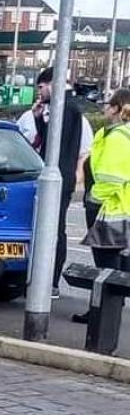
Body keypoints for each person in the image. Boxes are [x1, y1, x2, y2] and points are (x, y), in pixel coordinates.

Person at [32, 66, 93, 298]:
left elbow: (53, 145)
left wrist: (41, 121)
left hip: (59, 176)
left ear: (52, 84)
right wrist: (40, 120)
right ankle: (48, 281)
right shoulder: (70, 107)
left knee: (53, 231)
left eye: (41, 87)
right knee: (54, 229)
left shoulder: (64, 108)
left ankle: (52, 282)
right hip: (63, 176)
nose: (39, 93)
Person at [73, 89, 130, 323]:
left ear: (116, 108)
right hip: (120, 207)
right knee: (119, 264)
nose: (104, 107)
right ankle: (108, 311)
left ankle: (102, 315)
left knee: (106, 265)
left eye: (108, 104)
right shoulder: (113, 133)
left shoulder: (117, 137)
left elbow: (109, 176)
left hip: (109, 208)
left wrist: (94, 197)